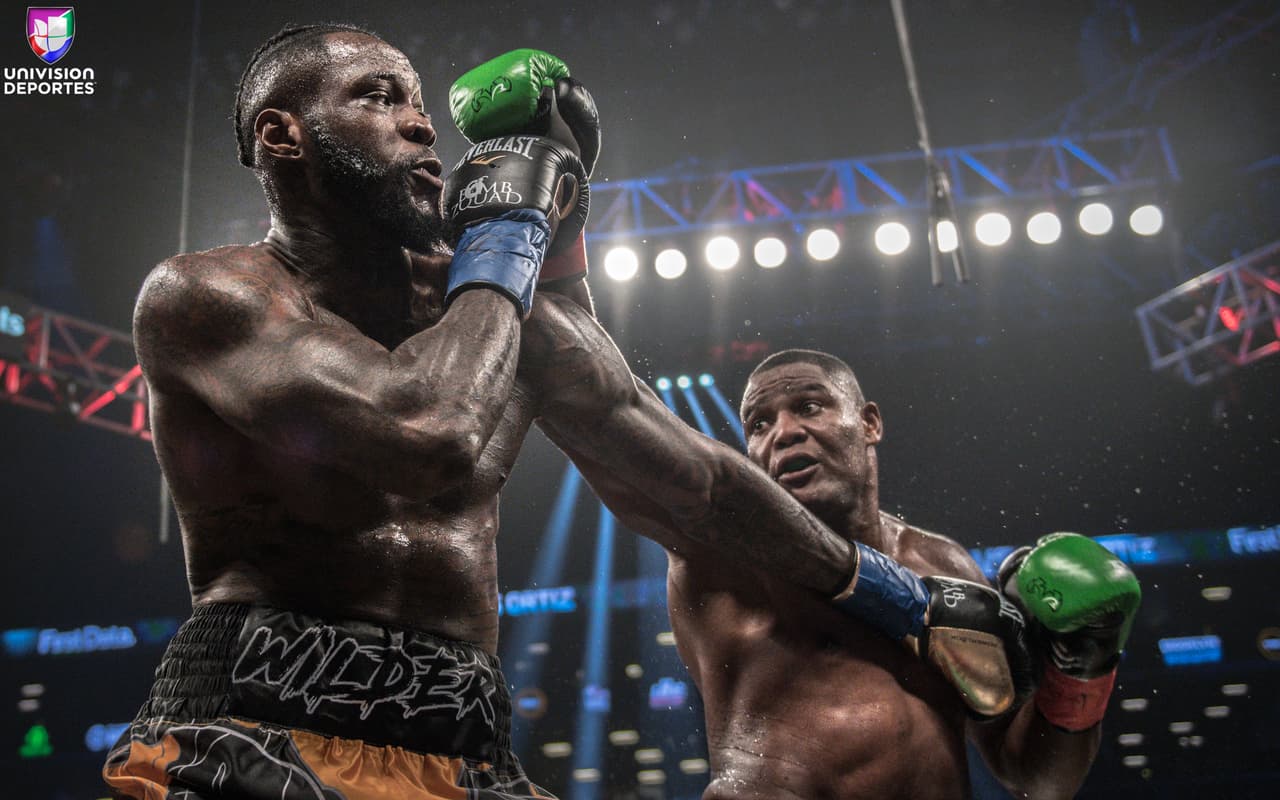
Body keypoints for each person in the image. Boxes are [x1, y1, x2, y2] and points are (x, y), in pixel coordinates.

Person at [103, 26, 1031, 799]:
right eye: (378, 98)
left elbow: (697, 482)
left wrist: (899, 600)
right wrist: (510, 233)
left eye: (419, 102)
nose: (422, 125)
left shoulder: (493, 303)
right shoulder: (209, 298)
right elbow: (425, 431)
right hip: (259, 717)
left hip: (464, 736)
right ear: (283, 136)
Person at [637, 348, 1139, 800]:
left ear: (869, 423)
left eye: (809, 407)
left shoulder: (945, 566)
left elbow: (1037, 781)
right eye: (759, 424)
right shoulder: (720, 554)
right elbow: (611, 412)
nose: (783, 432)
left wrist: (1084, 664)